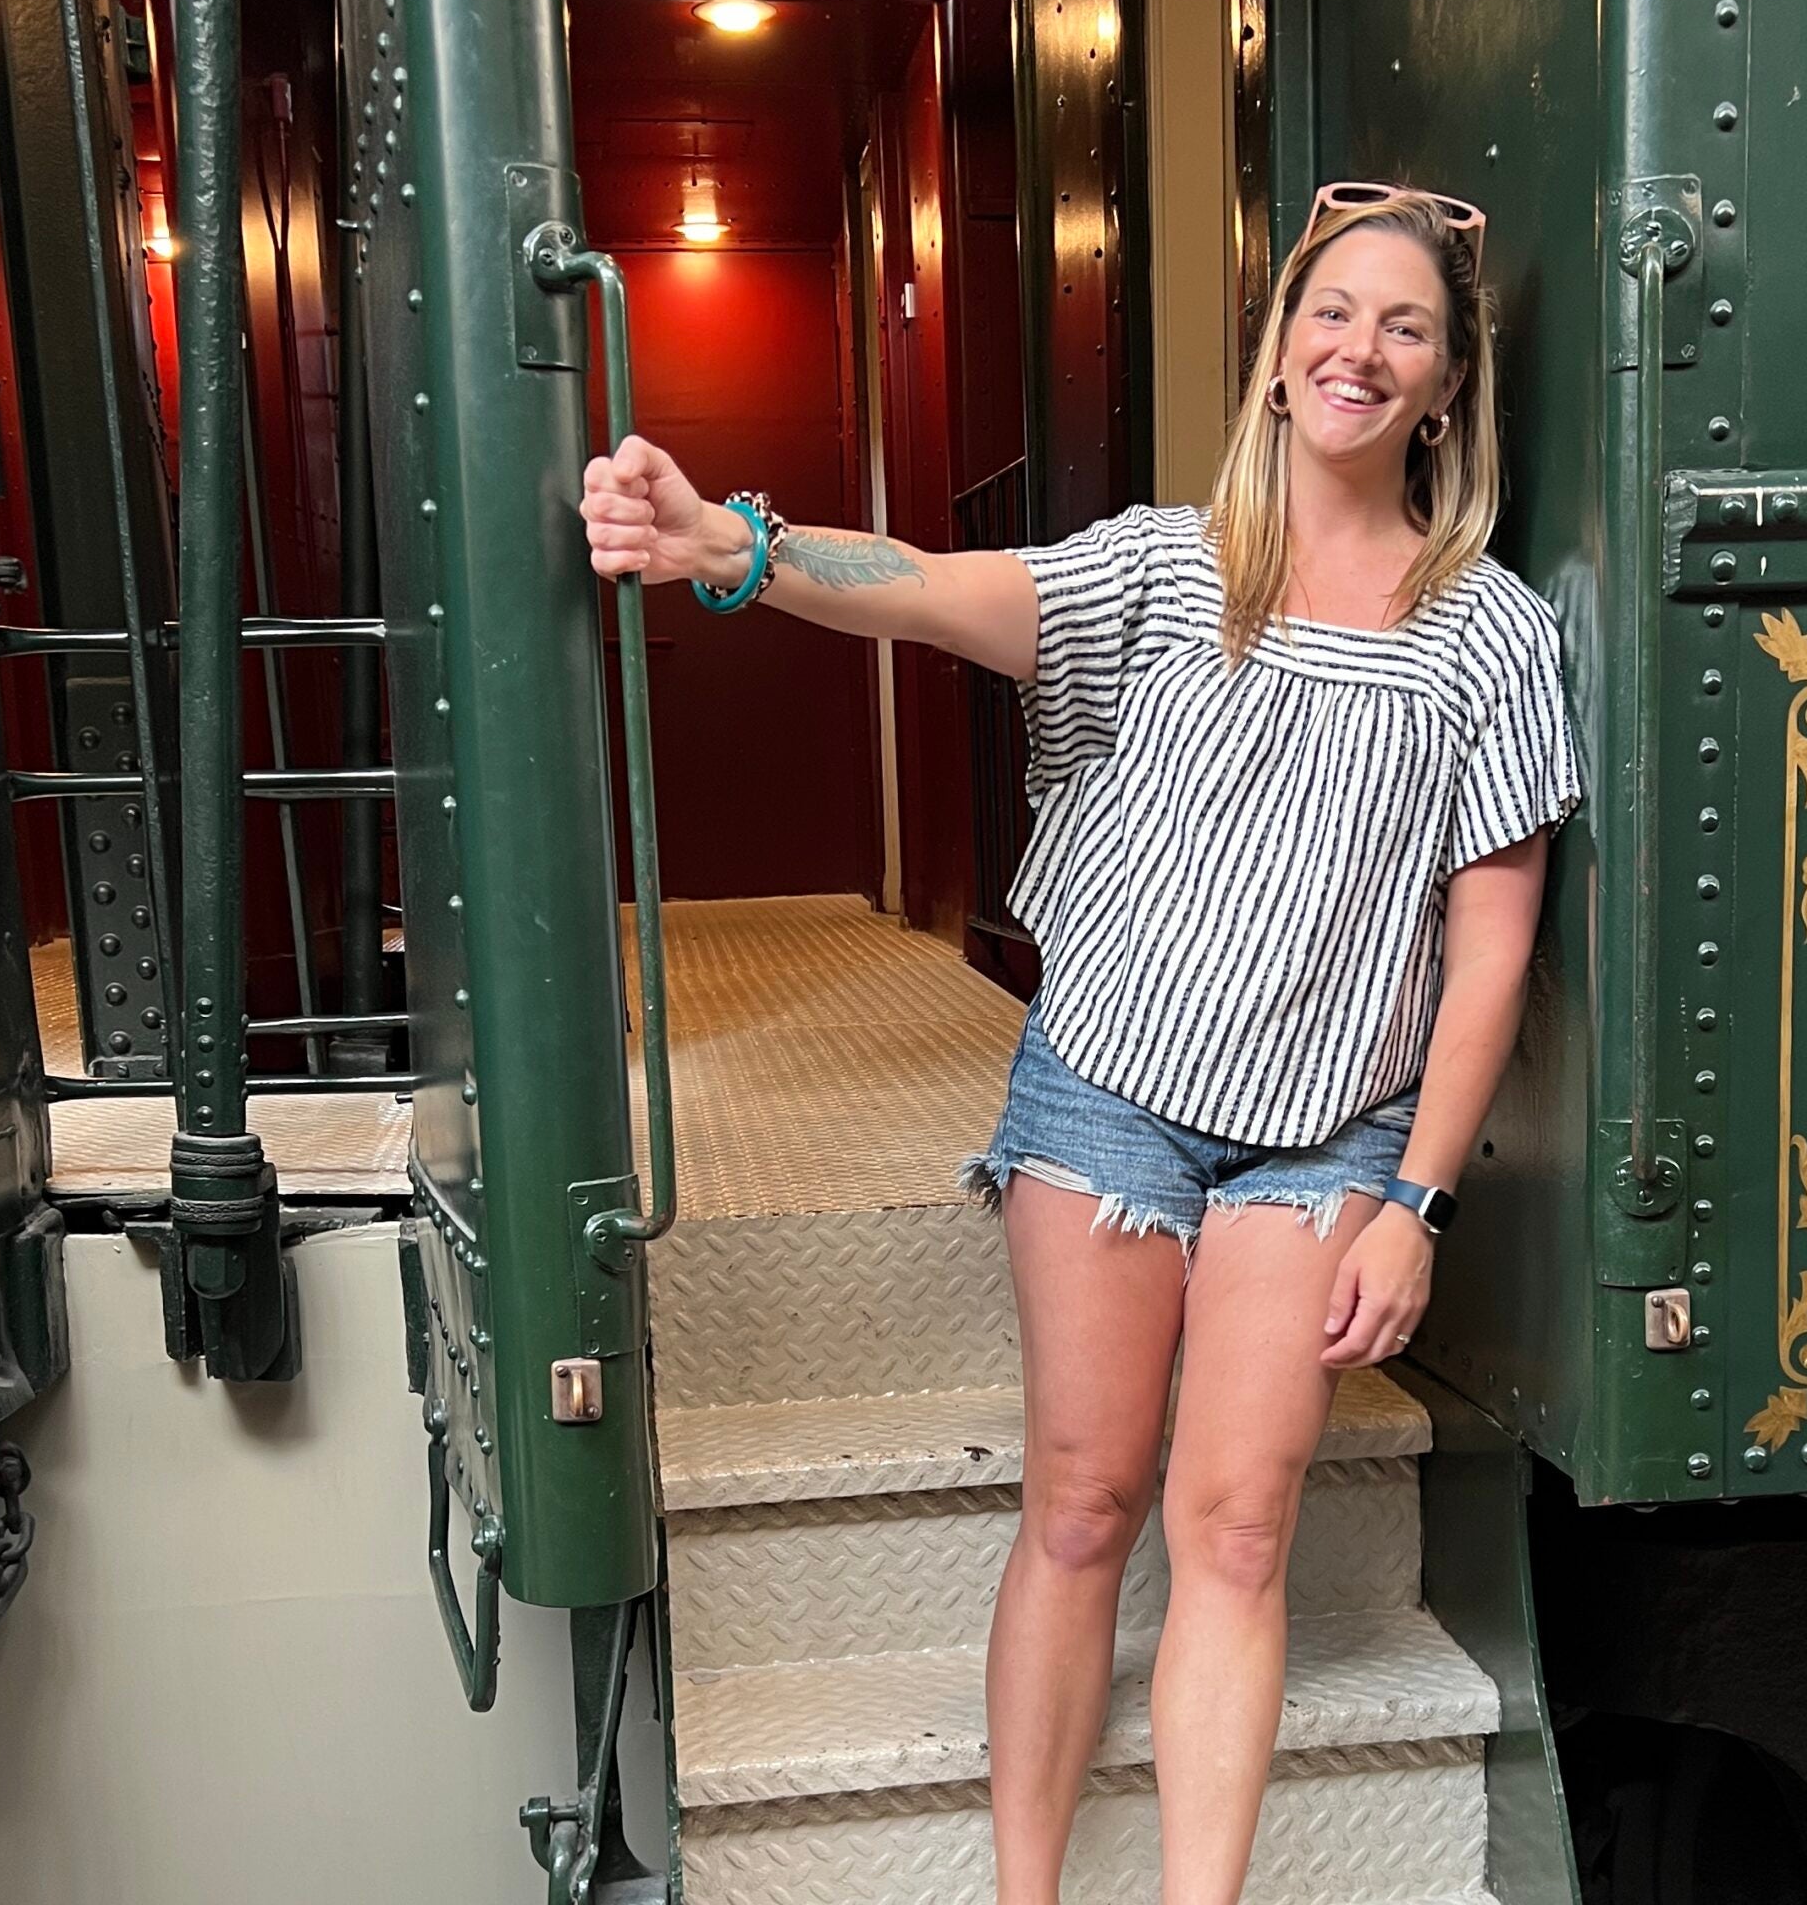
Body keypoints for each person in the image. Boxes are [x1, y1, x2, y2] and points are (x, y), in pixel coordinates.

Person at [581, 182, 1578, 1905]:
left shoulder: (1487, 631)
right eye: (1332, 313)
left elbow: (1490, 954)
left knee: (1238, 1527)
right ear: (1281, 352)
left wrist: (1417, 1203)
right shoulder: (1159, 570)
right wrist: (729, 548)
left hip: (1332, 1133)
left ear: (1442, 388)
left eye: (1405, 328)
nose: (1361, 349)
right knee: (1083, 1505)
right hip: (1109, 1095)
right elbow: (927, 588)